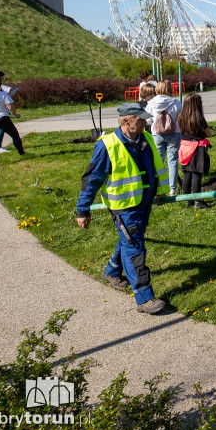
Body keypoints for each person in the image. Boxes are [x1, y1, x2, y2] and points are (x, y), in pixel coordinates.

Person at [75, 103, 169, 314]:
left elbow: (157, 167)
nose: (146, 122)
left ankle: (112, 271)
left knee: (129, 240)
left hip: (144, 203)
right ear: (126, 120)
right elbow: (91, 180)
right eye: (141, 119)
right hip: (123, 207)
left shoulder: (146, 139)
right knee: (135, 247)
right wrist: (83, 209)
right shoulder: (106, 145)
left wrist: (161, 190)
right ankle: (145, 297)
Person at [145, 81, 183, 194]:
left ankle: (158, 188)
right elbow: (179, 117)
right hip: (173, 133)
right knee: (172, 161)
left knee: (158, 161)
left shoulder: (151, 103)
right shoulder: (175, 102)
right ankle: (172, 188)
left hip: (157, 134)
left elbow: (147, 120)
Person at [177, 93, 212, 209]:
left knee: (187, 173)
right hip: (197, 148)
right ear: (197, 105)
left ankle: (187, 199)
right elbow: (209, 134)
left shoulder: (180, 117)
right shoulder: (199, 118)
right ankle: (197, 201)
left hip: (185, 147)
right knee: (197, 173)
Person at [0, 69, 20, 154]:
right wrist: (16, 114)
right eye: (2, 77)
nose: (3, 79)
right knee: (4, 129)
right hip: (0, 111)